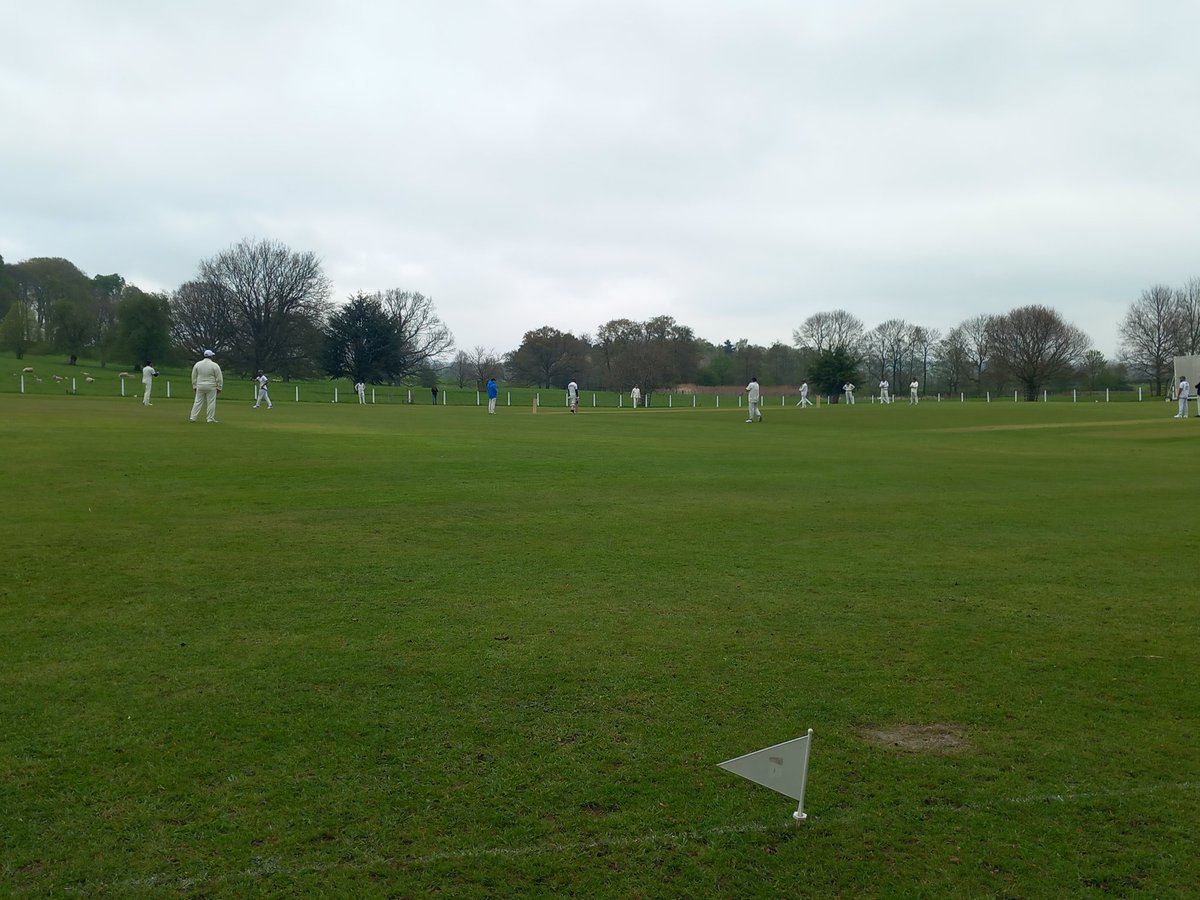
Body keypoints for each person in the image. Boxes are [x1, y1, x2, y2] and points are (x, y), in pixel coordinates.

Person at [189, 349, 223, 423]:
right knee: (211, 402)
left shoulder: (197, 364)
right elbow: (219, 378)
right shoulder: (215, 365)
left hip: (200, 386)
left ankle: (193, 417)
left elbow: (193, 376)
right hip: (211, 386)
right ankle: (210, 418)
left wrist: (194, 386)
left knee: (197, 402)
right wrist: (219, 387)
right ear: (211, 356)